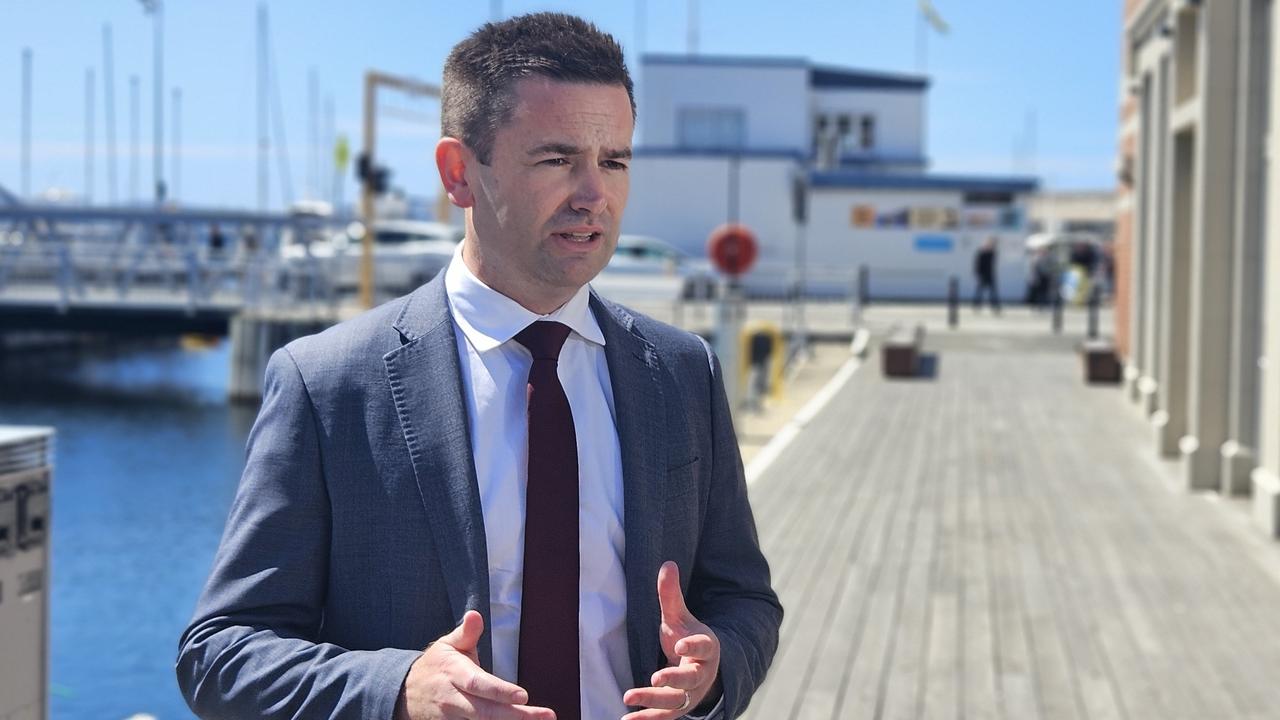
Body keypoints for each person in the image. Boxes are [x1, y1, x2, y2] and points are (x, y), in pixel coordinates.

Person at [176, 12, 781, 720]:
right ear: (459, 174)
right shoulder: (329, 385)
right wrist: (397, 690)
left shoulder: (682, 373)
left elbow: (744, 599)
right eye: (557, 160)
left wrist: (713, 669)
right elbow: (220, 652)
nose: (595, 194)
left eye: (614, 160)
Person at [973, 236, 1000, 313]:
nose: (988, 245)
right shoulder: (981, 253)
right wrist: (978, 274)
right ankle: (977, 306)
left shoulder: (991, 253)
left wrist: (993, 244)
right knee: (979, 292)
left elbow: (994, 254)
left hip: (990, 275)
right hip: (982, 275)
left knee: (993, 292)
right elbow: (977, 264)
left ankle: (995, 307)